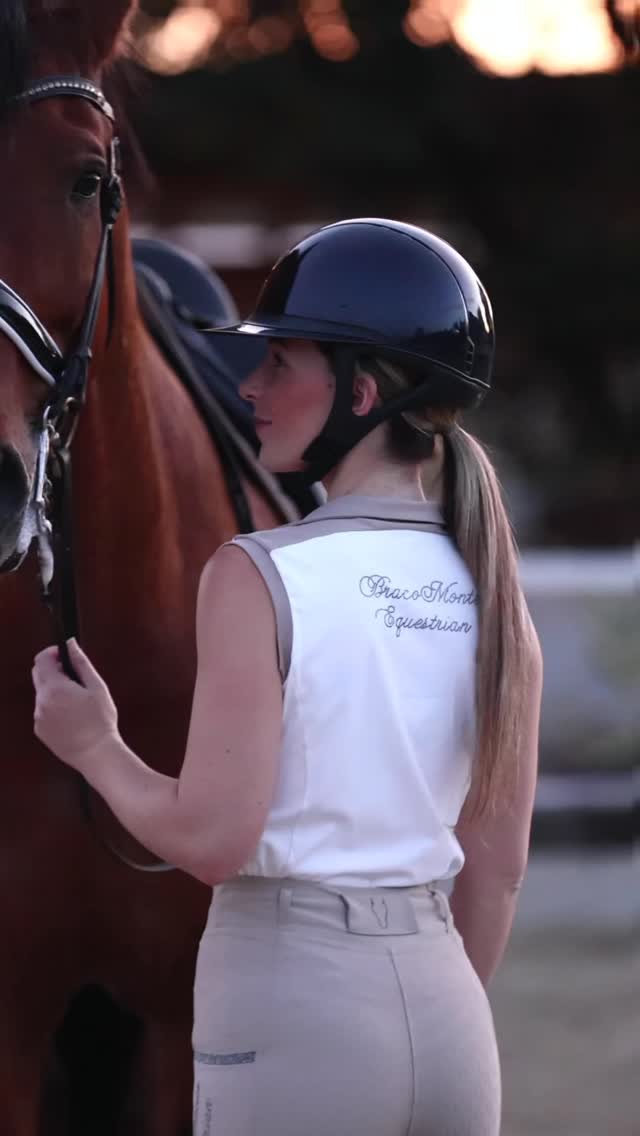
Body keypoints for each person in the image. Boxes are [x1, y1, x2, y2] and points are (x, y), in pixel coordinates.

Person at [33, 218, 543, 1136]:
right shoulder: (496, 597)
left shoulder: (259, 574)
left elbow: (211, 840)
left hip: (293, 1008)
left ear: (363, 388)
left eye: (282, 363)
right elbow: (496, 872)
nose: (251, 386)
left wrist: (95, 747)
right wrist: (420, 1013)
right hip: (451, 1015)